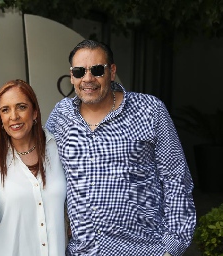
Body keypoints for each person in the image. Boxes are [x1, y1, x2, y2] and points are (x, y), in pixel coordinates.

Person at [45, 39, 196, 255]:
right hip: (82, 251)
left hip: (144, 250)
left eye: (97, 70)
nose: (88, 79)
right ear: (72, 76)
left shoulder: (150, 110)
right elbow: (36, 161)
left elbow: (176, 179)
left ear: (112, 71)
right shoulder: (61, 116)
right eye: (79, 72)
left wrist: (171, 247)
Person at [0, 79, 67, 256]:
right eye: (5, 110)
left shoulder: (58, 148)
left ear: (35, 112)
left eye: (21, 107)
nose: (14, 116)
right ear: (0, 118)